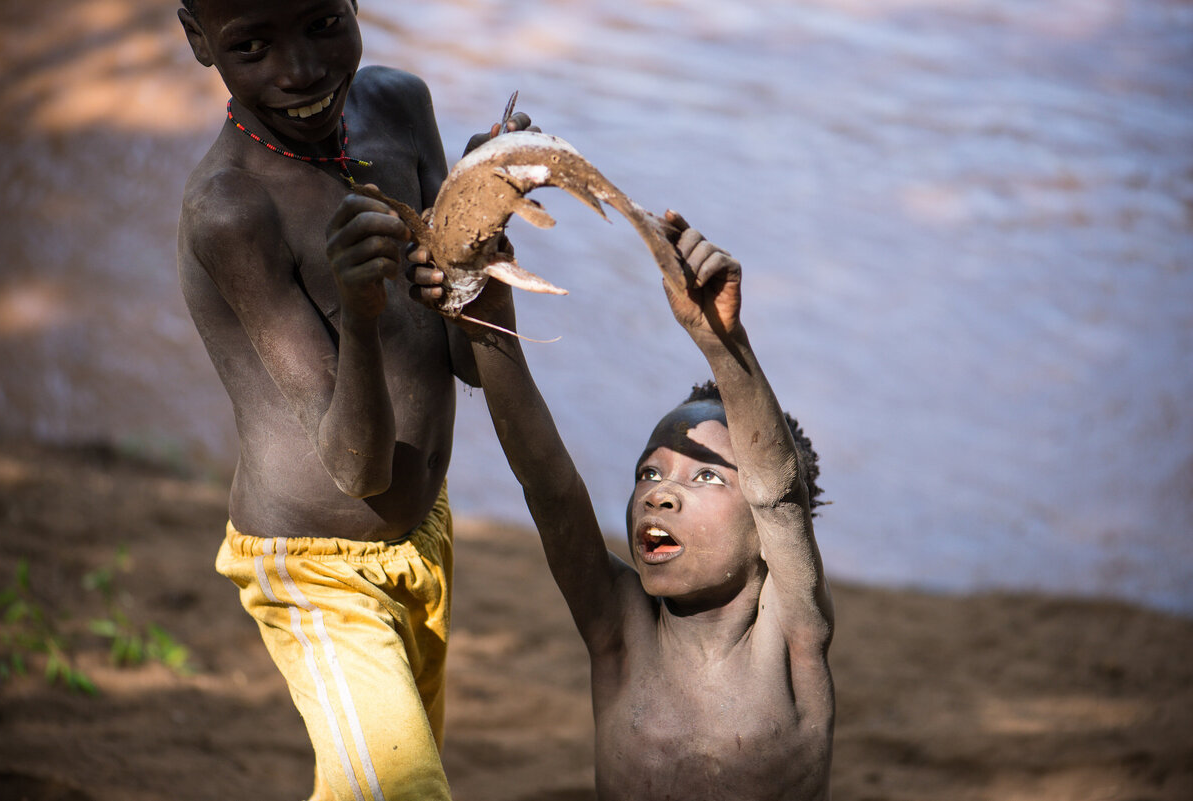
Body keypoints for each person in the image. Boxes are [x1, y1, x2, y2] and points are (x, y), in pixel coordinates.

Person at [175, 1, 529, 798]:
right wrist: (361, 320)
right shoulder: (234, 211)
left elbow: (465, 363)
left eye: (323, 25)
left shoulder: (400, 108)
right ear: (199, 40)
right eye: (252, 46)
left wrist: (476, 229)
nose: (299, 71)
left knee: (383, 777)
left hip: (424, 538)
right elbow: (356, 468)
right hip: (312, 569)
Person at [411, 212, 834, 799]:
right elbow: (551, 489)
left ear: (767, 532)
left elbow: (779, 492)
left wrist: (723, 343)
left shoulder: (790, 634)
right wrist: (489, 312)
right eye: (650, 472)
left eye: (707, 476)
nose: (661, 492)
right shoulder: (619, 625)